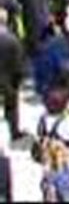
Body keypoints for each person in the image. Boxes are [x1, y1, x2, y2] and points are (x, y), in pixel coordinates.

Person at [0, 10, 24, 141]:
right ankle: (14, 132)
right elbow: (18, 63)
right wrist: (18, 80)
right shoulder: (13, 39)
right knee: (12, 105)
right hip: (8, 80)